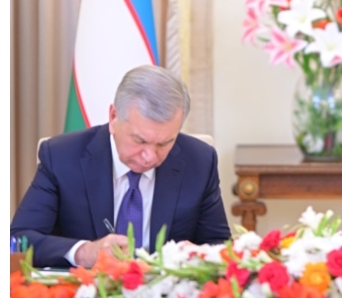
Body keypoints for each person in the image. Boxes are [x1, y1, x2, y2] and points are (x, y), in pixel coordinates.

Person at [11, 65, 231, 268]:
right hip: (87, 290)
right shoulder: (63, 156)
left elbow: (219, 245)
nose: (149, 157)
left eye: (164, 143)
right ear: (113, 116)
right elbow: (18, 240)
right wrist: (84, 253)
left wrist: (200, 255)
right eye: (140, 140)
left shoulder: (199, 161)